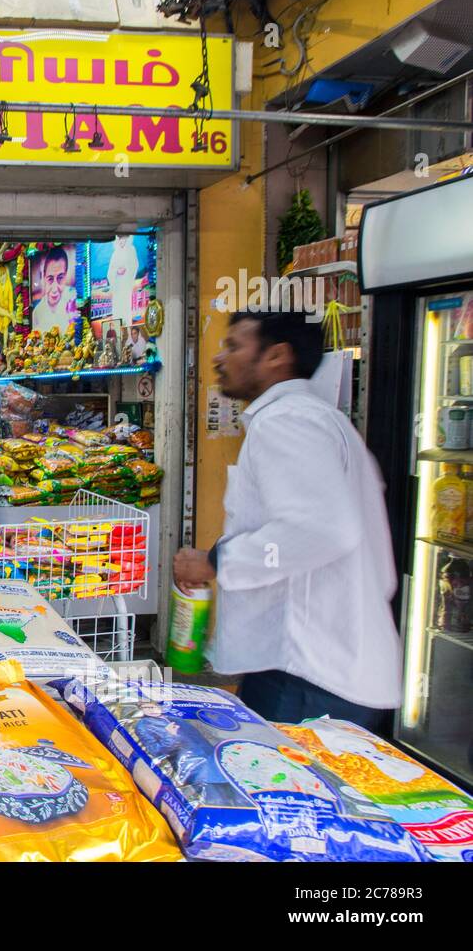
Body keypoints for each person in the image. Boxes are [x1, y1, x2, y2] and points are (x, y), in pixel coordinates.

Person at [172, 309, 401, 732]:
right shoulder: (319, 420)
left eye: (233, 346)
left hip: (310, 671)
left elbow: (321, 530)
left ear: (277, 355)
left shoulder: (287, 421)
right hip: (318, 664)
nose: (219, 358)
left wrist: (217, 562)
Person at [32, 245, 74, 334]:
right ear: (44, 278)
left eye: (60, 278)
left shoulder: (74, 299)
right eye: (50, 279)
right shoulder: (37, 312)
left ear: (66, 276)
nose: (54, 289)